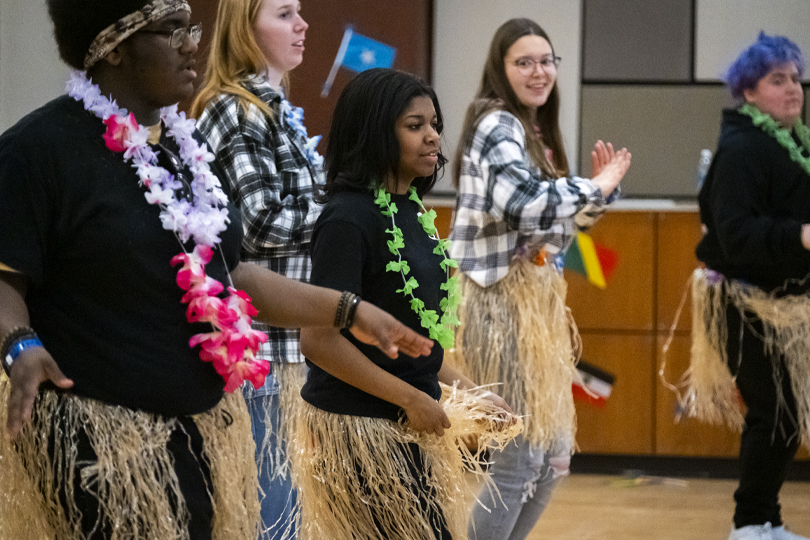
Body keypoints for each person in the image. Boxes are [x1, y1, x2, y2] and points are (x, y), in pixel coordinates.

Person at [0, 2, 432, 539]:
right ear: (112, 45)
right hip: (99, 444)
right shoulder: (36, 151)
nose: (190, 44)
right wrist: (20, 344)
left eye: (191, 28)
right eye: (171, 30)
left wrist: (350, 310)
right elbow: (5, 277)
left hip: (198, 436)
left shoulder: (187, 151)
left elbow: (234, 275)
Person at [293, 68, 520, 540]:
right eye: (414, 125)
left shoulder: (412, 209)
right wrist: (411, 398)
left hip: (407, 424)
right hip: (360, 433)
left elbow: (417, 343)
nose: (433, 136)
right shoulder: (347, 219)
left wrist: (471, 393)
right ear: (376, 132)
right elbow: (317, 340)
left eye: (434, 123)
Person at [448, 18, 630, 540]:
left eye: (547, 60)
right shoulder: (496, 124)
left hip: (534, 309)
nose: (539, 71)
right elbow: (526, 207)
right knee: (518, 451)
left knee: (551, 455)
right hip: (497, 304)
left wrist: (599, 196)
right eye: (523, 62)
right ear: (500, 70)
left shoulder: (532, 132)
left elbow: (557, 232)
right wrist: (591, 185)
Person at [191, 0, 320, 536]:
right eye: (285, 13)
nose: (302, 24)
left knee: (285, 517)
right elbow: (262, 224)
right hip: (260, 352)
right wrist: (343, 215)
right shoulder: (235, 109)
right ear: (246, 29)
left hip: (288, 348)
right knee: (273, 522)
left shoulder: (275, 108)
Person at [688, 32, 810, 540]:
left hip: (780, 300)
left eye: (796, 78)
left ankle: (765, 520)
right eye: (777, 79)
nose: (793, 89)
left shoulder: (792, 141)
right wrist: (800, 235)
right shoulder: (743, 148)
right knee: (775, 410)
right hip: (740, 300)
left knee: (785, 413)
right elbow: (735, 235)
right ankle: (751, 524)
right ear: (750, 92)